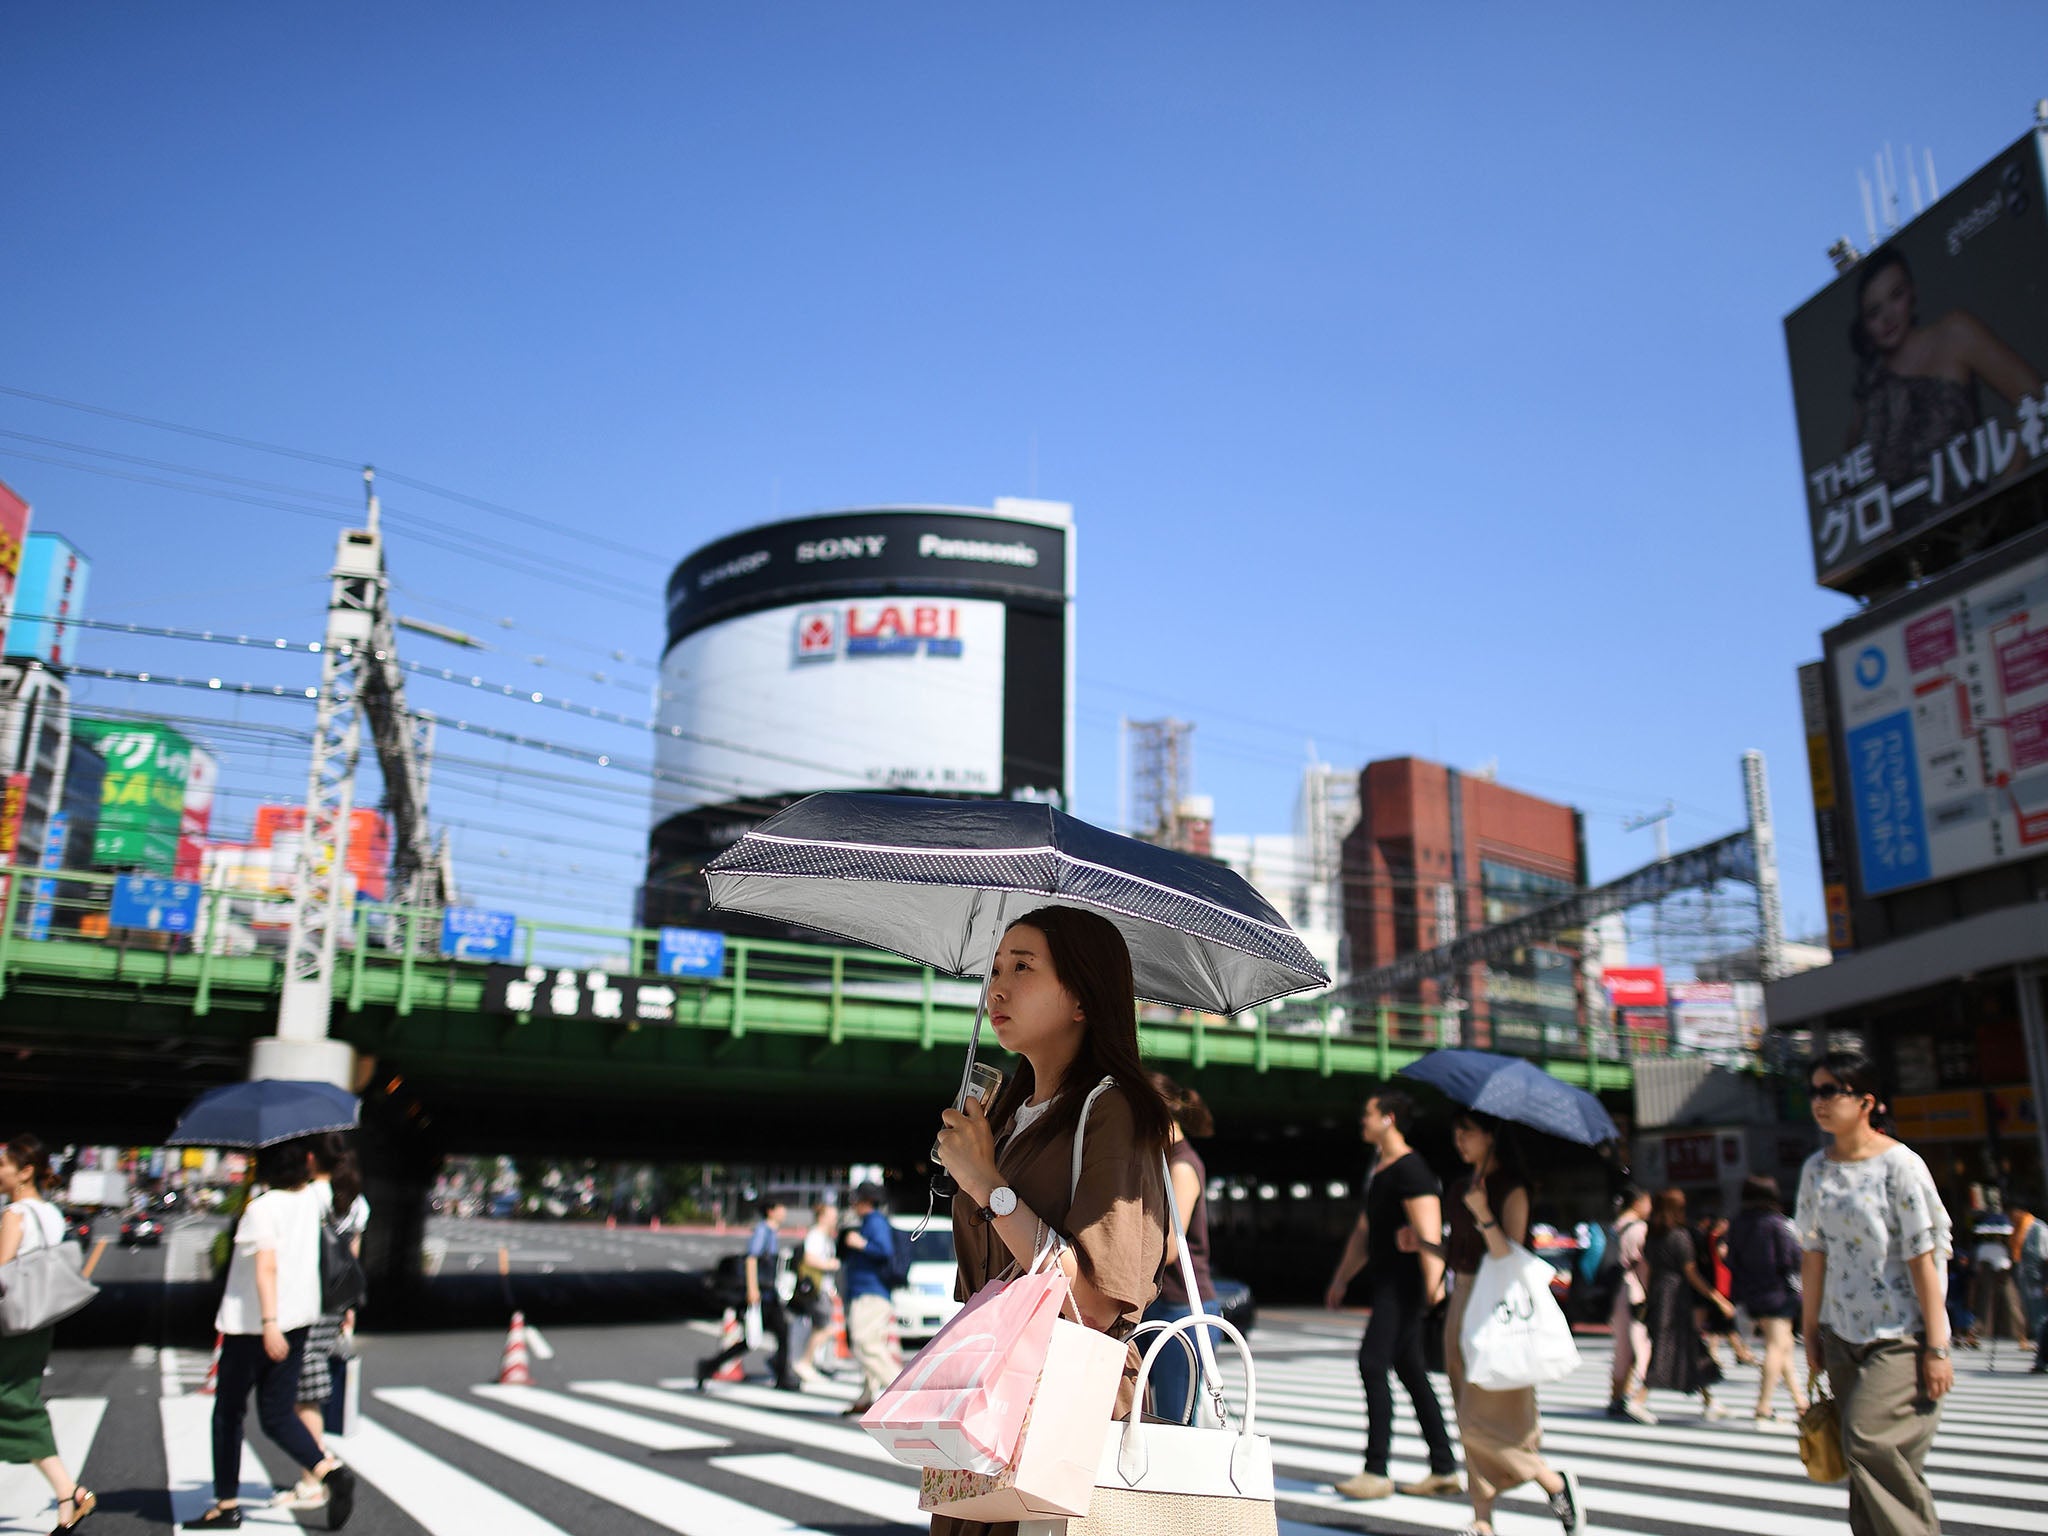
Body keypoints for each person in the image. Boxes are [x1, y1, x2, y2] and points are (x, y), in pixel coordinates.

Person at [931, 904, 1171, 1536]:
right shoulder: (1008, 1116)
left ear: (1082, 999)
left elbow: (1092, 1300)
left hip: (1061, 1405)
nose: (998, 987)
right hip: (989, 1398)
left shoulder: (1113, 1108)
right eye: (996, 968)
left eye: (1024, 967)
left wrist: (988, 1184)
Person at [1797, 1049, 1953, 1536]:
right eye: (1813, 1092)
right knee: (1863, 1464)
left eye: (1830, 1091)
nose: (1818, 1102)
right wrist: (1811, 1331)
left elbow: (1922, 1256)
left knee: (1868, 1442)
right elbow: (1814, 1254)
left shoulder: (1899, 1165)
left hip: (1900, 1333)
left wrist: (1937, 1345)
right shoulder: (1816, 1170)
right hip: (1841, 1331)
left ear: (1866, 1102)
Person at [186, 1139, 356, 1530]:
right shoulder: (313, 1201)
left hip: (254, 1326)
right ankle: (331, 1472)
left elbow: (266, 1267)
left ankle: (226, 1505)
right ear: (306, 1164)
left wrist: (268, 1323)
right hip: (299, 1322)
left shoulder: (261, 1209)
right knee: (277, 1415)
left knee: (228, 1414)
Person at [1438, 1111, 1582, 1536]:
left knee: (1481, 1416)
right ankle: (1482, 1520)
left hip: (1499, 1307)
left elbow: (1508, 1256)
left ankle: (1549, 1479)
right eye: (1456, 1132)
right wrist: (1425, 1244)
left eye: (1467, 1132)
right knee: (1464, 1410)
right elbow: (1457, 1250)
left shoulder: (1511, 1188)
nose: (1459, 1140)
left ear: (1490, 1136)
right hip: (1462, 1298)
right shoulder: (1462, 1186)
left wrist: (1483, 1212)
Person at [1324, 1089, 1461, 1502]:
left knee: (1372, 1362)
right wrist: (1341, 1279)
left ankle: (1376, 1469)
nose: (1361, 1121)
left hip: (1404, 1287)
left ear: (1388, 1119)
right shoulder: (1381, 1168)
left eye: (1367, 1114)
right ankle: (1443, 1467)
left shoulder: (1411, 1169)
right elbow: (1365, 1232)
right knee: (1411, 1371)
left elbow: (1429, 1234)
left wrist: (1435, 1289)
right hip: (1388, 1281)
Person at [1844, 244, 2043, 485]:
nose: (1888, 318)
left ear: (1912, 292)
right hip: (1915, 520)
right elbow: (1849, 478)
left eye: (1896, 295)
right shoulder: (1870, 388)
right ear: (1865, 325)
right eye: (1874, 312)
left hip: (1981, 513)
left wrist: (2006, 486)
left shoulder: (1953, 333)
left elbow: (2033, 395)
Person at [0, 1135, 97, 1533]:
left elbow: (2, 1270)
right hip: (37, 1323)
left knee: (16, 1402)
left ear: (25, 1172)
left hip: (11, 1325)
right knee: (18, 1400)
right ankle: (68, 1494)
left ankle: (69, 1491)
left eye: (3, 1165)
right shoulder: (51, 1214)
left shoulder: (15, 1214)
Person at [1141, 1072, 1217, 1427]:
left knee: (1174, 1423)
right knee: (1150, 1418)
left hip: (1182, 1310)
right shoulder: (1162, 1159)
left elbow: (1171, 1247)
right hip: (1162, 1306)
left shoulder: (1182, 1166)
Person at [1725, 1174, 1809, 1427]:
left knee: (1782, 1345)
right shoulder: (1776, 1223)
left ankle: (1800, 1401)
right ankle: (1763, 1406)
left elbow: (1731, 1259)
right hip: (1778, 1290)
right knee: (1777, 1346)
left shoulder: (1738, 1223)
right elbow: (1791, 1258)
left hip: (1751, 1291)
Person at [1642, 1188, 1728, 1420]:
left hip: (1659, 1292)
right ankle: (1639, 1397)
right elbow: (1691, 1274)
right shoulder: (1680, 1236)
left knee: (1685, 1346)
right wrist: (1718, 1299)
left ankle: (1709, 1399)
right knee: (1673, 1347)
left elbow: (1647, 1268)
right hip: (1677, 1294)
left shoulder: (1652, 1236)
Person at [695, 1198, 798, 1392]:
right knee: (757, 1338)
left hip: (768, 1293)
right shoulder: (762, 1231)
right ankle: (709, 1366)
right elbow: (751, 1259)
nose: (784, 1211)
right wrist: (753, 1290)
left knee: (773, 1334)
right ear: (771, 1210)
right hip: (761, 1293)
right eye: (782, 1207)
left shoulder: (770, 1232)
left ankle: (782, 1372)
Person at [837, 1184, 899, 1417]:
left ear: (866, 1201)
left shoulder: (874, 1221)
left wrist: (859, 1243)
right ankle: (867, 1396)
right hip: (869, 1291)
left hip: (870, 1292)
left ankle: (899, 1390)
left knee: (864, 1342)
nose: (853, 1203)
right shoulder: (871, 1221)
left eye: (856, 1199)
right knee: (872, 1342)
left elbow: (884, 1250)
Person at [1605, 1186, 1656, 1423]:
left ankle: (1616, 1396)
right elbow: (1643, 1264)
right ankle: (1634, 1397)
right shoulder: (1639, 1229)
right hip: (1634, 1289)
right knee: (1639, 1345)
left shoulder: (1614, 1227)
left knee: (1622, 1346)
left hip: (1616, 1290)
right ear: (1638, 1202)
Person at [1697, 1211, 1756, 1370]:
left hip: (1716, 1281)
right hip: (1722, 1282)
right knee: (1726, 1322)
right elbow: (1724, 1255)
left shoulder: (1706, 1238)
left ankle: (1722, 1353)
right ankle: (1738, 1353)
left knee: (1720, 1323)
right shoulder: (1718, 1239)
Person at [792, 1201, 842, 1383]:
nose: (835, 1219)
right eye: (832, 1216)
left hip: (823, 1290)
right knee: (826, 1327)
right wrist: (831, 1264)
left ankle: (801, 1362)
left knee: (819, 1327)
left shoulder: (826, 1237)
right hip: (815, 1289)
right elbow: (809, 1259)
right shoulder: (815, 1235)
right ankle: (804, 1362)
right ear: (822, 1217)